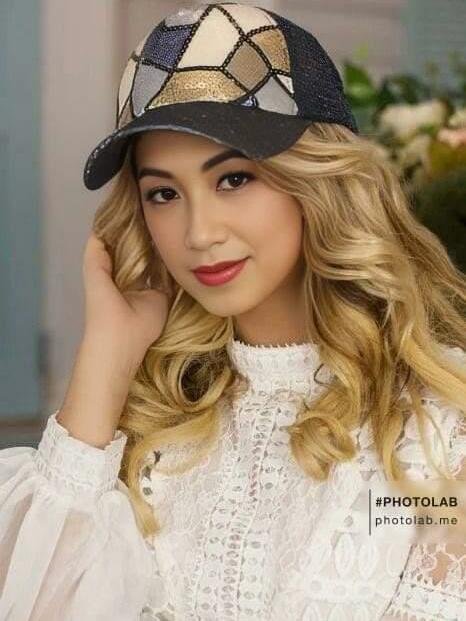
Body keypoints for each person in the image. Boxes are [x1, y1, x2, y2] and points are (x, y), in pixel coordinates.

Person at [0, 3, 465, 620]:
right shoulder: (141, 424)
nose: (199, 233)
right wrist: (106, 354)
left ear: (315, 179)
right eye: (164, 193)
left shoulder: (435, 428)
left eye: (234, 179)